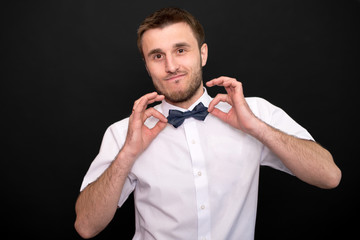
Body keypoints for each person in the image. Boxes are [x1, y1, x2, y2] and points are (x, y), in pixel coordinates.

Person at [74, 7, 341, 240]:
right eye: (157, 56)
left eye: (181, 50)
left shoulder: (254, 111)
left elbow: (329, 176)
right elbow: (86, 226)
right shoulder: (124, 133)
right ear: (146, 66)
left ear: (202, 54)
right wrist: (127, 154)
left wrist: (255, 128)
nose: (171, 66)